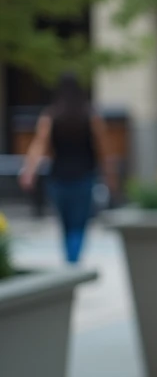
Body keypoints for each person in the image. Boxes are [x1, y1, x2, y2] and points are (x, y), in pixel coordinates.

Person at [19, 73, 118, 265]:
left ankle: (69, 261)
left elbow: (39, 146)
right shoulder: (90, 116)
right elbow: (104, 152)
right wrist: (111, 178)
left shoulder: (51, 115)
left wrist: (29, 171)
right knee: (79, 225)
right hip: (84, 178)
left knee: (65, 225)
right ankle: (73, 261)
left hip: (58, 178)